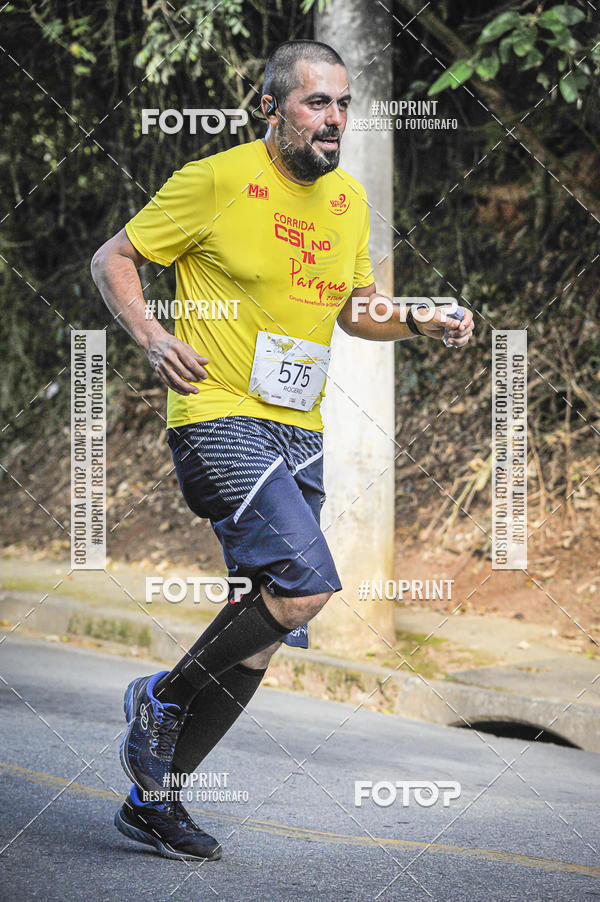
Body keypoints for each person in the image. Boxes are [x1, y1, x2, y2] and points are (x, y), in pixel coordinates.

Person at [91, 38, 474, 861]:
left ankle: (155, 799)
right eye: (316, 103)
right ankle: (159, 696)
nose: (334, 119)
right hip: (216, 413)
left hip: (299, 432)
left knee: (265, 629)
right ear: (271, 108)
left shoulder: (349, 202)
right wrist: (152, 334)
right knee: (305, 585)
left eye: (342, 103)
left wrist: (419, 318)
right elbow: (113, 257)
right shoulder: (217, 181)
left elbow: (354, 312)